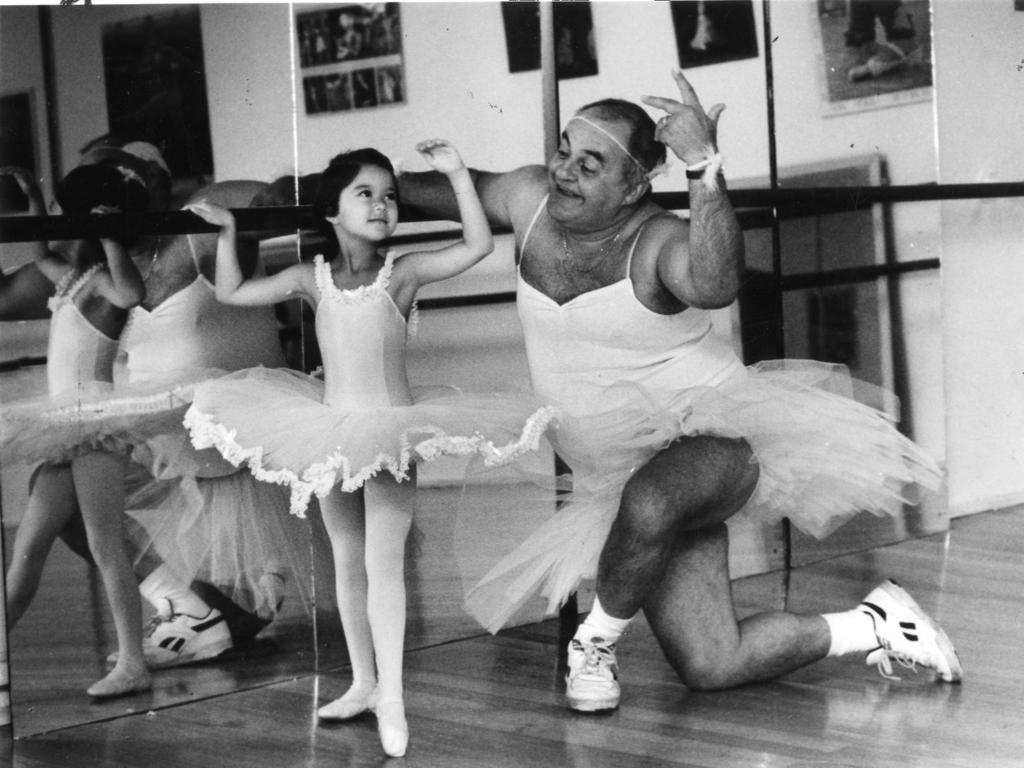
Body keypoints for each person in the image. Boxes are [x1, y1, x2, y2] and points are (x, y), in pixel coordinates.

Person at [397, 69, 960, 714]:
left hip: (718, 436)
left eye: (591, 164)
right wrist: (363, 186)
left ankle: (595, 647)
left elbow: (716, 284)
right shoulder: (528, 200)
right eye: (563, 151)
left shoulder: (658, 239)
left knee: (653, 499)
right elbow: (438, 192)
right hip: (619, 472)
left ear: (636, 184)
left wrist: (704, 166)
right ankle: (880, 624)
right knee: (713, 663)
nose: (564, 173)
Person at [182, 140, 556, 757]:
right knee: (347, 564)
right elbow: (233, 292)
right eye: (366, 194)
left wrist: (458, 175)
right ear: (332, 210)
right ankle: (361, 681)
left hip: (388, 435)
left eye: (389, 196)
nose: (382, 206)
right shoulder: (313, 277)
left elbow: (478, 245)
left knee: (384, 566)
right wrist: (230, 231)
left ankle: (394, 699)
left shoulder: (401, 272)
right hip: (329, 432)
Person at [0, 144, 312, 669]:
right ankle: (179, 604)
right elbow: (27, 274)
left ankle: (194, 616)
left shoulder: (196, 231)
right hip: (146, 433)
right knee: (58, 498)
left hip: (226, 439)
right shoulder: (86, 273)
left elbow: (276, 199)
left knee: (244, 620)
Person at [0, 159, 154, 698]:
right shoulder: (71, 280)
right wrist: (33, 201)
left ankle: (133, 663)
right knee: (27, 551)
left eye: (70, 217)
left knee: (104, 544)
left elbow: (132, 293)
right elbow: (42, 251)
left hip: (96, 427)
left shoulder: (108, 287)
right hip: (63, 428)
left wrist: (110, 237)